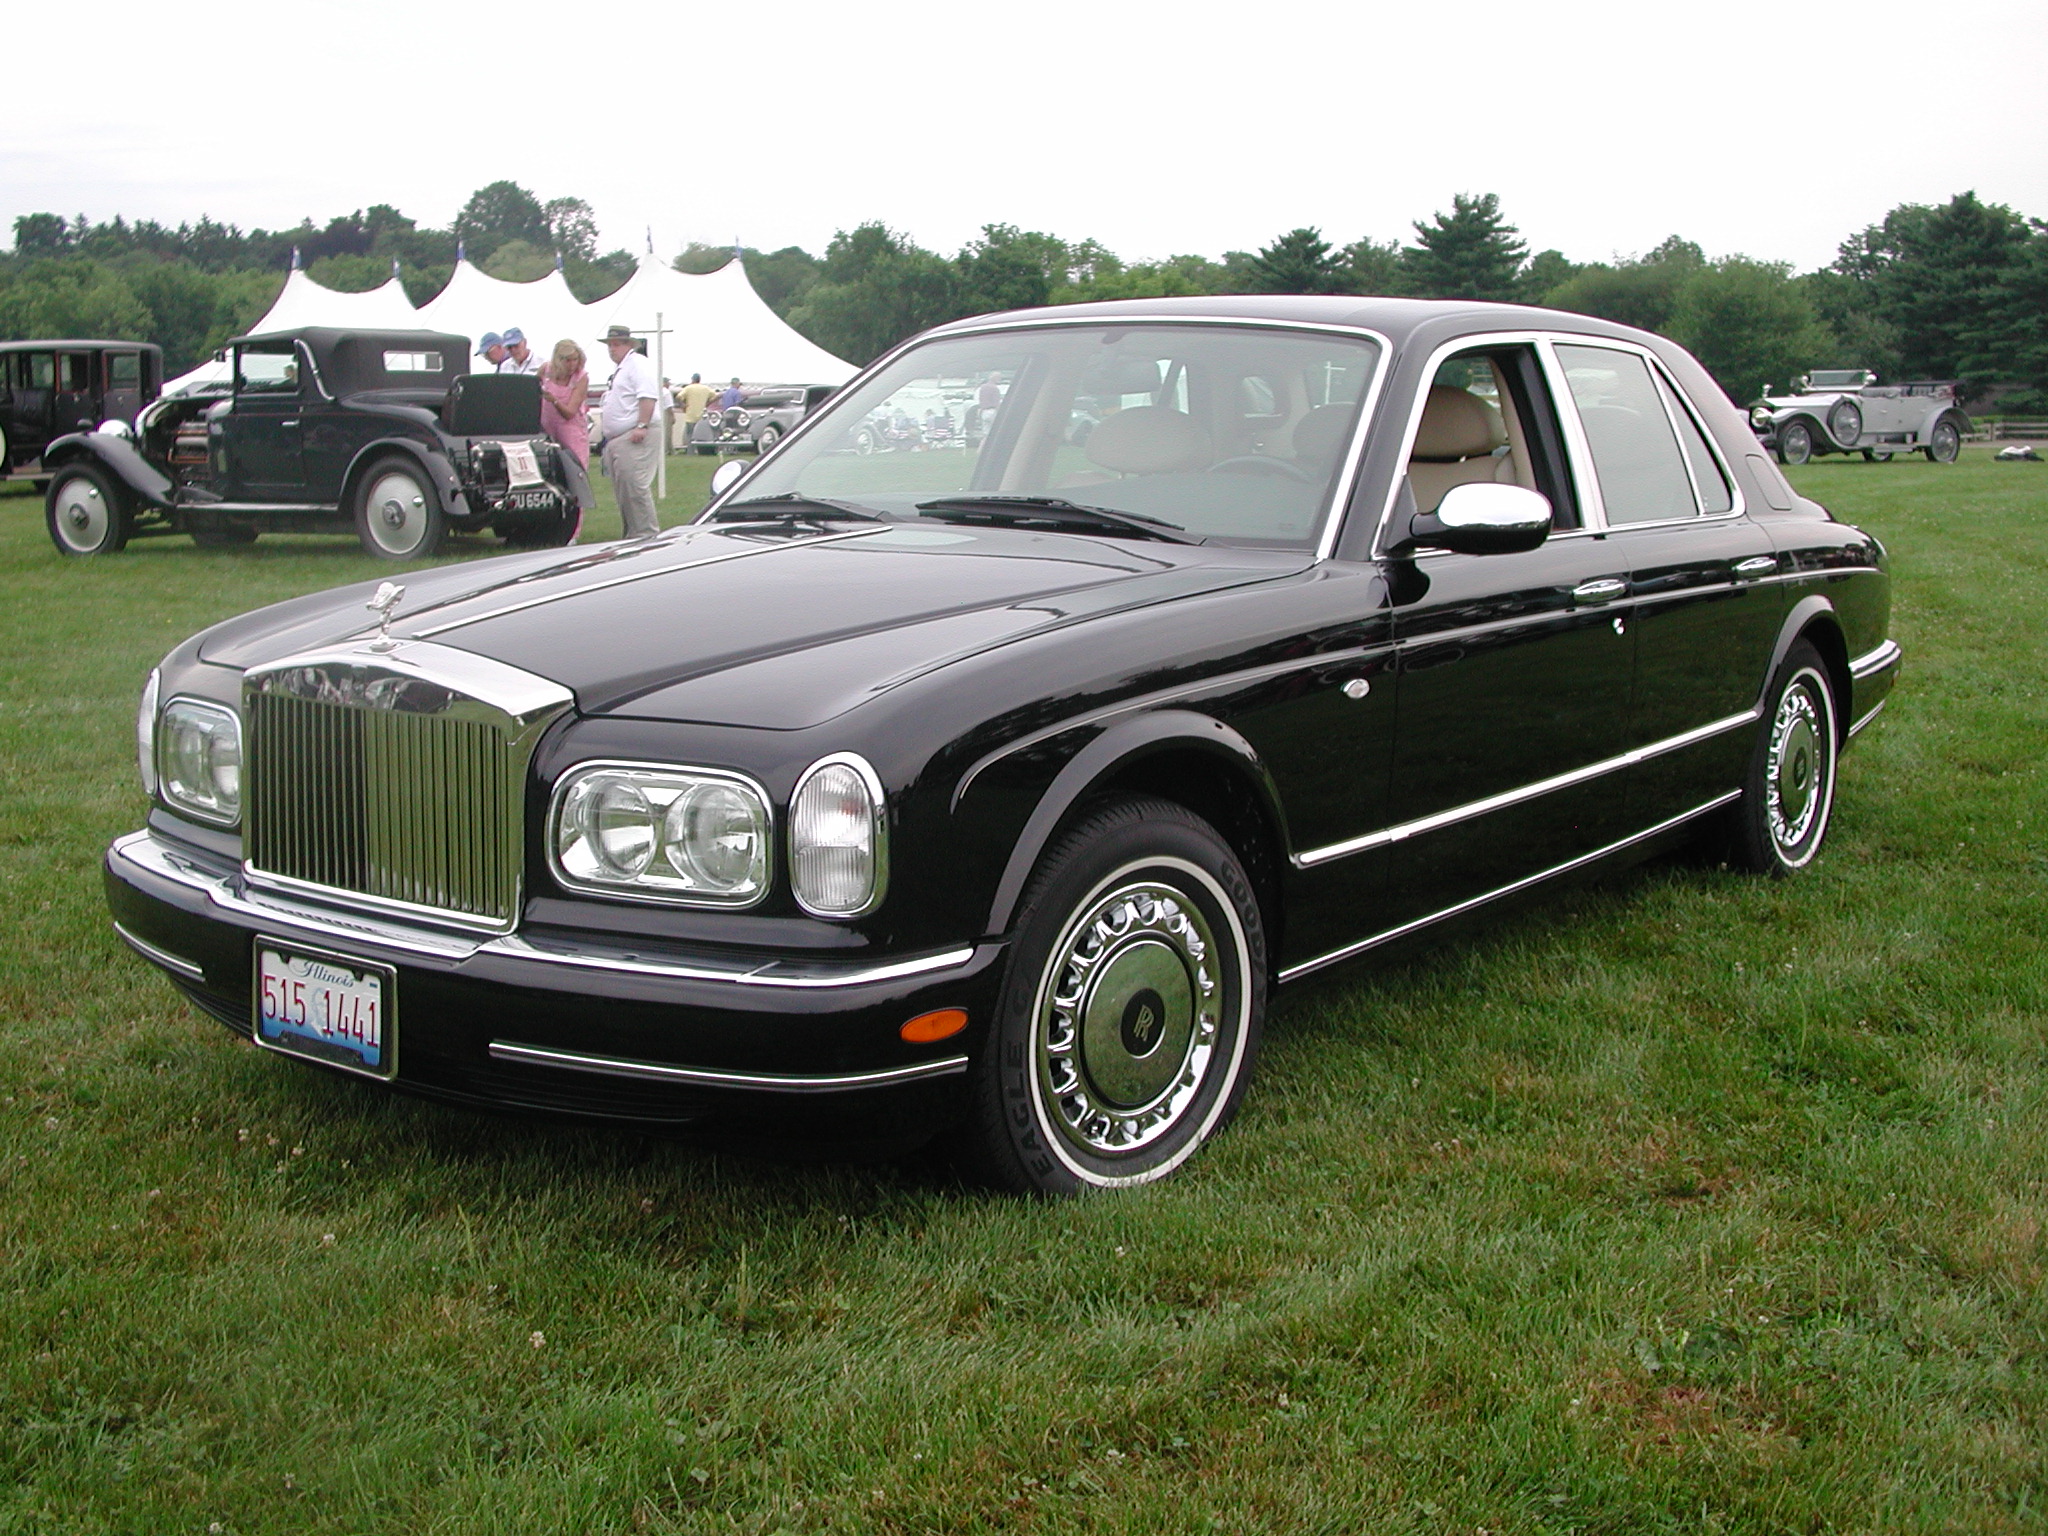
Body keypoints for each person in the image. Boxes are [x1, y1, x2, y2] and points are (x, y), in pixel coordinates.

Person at [597, 325, 662, 539]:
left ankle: (646, 535)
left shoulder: (637, 364)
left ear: (628, 344)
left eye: (616, 344)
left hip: (634, 435)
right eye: (610, 345)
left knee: (635, 488)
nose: (611, 349)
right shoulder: (623, 368)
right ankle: (633, 536)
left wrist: (641, 426)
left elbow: (648, 396)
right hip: (620, 437)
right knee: (625, 491)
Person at [538, 339, 591, 540]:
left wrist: (554, 400)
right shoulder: (546, 371)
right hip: (547, 428)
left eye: (575, 360)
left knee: (574, 479)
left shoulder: (581, 378)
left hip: (571, 430)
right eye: (567, 360)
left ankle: (573, 532)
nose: (572, 365)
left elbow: (569, 412)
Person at [675, 372, 716, 451]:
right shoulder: (706, 388)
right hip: (702, 416)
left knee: (690, 435)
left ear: (692, 379)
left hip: (690, 415)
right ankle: (701, 451)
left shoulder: (688, 388)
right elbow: (716, 395)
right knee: (702, 435)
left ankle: (690, 451)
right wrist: (707, 403)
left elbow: (678, 397)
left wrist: (683, 405)